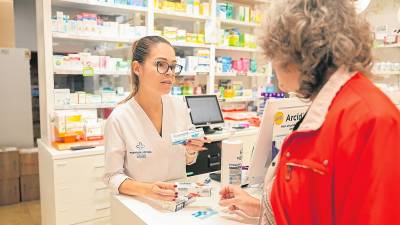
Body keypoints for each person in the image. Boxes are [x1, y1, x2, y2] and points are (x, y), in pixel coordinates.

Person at [219, 0, 400, 224]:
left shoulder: (371, 119)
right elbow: (317, 204)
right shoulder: (326, 106)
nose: (274, 71)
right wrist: (263, 207)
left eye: (273, 56)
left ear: (295, 51)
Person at [103, 36, 207, 202]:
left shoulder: (179, 106)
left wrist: (192, 149)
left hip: (178, 201)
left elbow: (188, 160)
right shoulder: (120, 118)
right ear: (137, 68)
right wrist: (148, 190)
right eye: (160, 64)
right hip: (142, 204)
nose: (170, 73)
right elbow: (112, 177)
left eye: (173, 66)